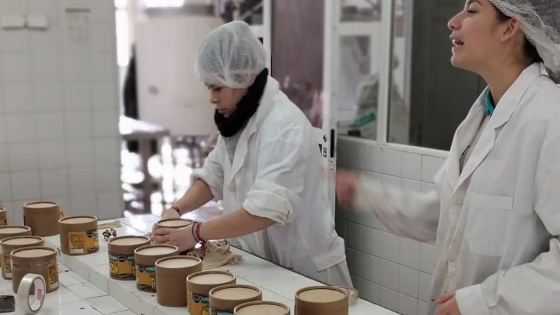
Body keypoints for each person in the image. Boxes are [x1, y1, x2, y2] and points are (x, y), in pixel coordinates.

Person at [336, 0, 560, 314]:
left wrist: (482, 301)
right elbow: (444, 213)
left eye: (471, 10)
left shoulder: (551, 119)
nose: (452, 22)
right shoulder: (481, 117)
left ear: (511, 27)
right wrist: (364, 193)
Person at [151, 20, 352, 288]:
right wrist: (176, 210)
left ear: (242, 78)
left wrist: (196, 233)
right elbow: (214, 175)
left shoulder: (283, 125)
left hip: (305, 272)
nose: (211, 98)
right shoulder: (241, 119)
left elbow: (264, 212)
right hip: (264, 264)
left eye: (216, 88)